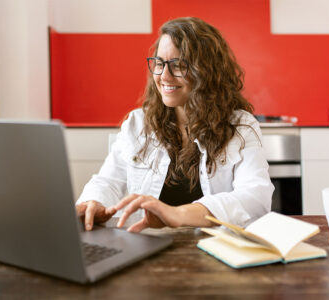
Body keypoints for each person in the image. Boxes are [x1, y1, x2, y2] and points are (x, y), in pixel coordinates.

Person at [76, 17, 274, 232]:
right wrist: (92, 202)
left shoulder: (241, 126)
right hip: (146, 248)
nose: (164, 76)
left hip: (217, 249)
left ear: (207, 71)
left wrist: (179, 213)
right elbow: (107, 181)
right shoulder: (137, 123)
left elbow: (256, 197)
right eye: (159, 64)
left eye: (179, 65)